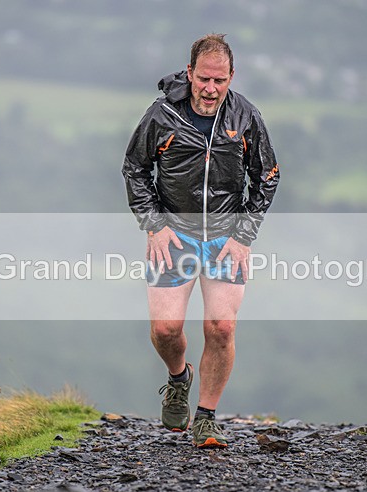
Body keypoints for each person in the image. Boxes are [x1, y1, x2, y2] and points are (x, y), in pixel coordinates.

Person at [122, 34, 280, 448]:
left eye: (220, 81)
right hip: (174, 233)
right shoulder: (160, 115)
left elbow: (267, 176)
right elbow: (135, 170)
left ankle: (207, 417)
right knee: (166, 329)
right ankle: (179, 378)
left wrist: (245, 237)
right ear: (190, 73)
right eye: (204, 79)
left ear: (231, 77)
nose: (211, 89)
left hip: (227, 237)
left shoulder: (246, 116)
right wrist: (154, 225)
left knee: (221, 327)